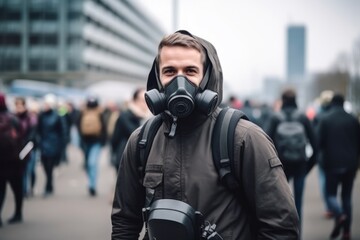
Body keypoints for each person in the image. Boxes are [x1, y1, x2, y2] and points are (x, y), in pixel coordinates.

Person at [111, 30, 300, 239]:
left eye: (190, 71)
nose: (179, 81)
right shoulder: (141, 140)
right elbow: (124, 223)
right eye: (170, 71)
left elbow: (281, 228)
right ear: (158, 78)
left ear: (207, 77)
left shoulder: (244, 138)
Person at [265, 89, 317, 225]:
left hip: (280, 166)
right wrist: (307, 167)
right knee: (298, 203)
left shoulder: (275, 117)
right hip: (300, 165)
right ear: (296, 100)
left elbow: (264, 143)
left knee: (281, 204)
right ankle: (298, 235)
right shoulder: (303, 117)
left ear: (282, 100)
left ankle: (285, 233)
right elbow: (316, 145)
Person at [316, 94, 360, 240]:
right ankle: (346, 232)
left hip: (332, 164)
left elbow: (318, 143)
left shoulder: (325, 119)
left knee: (330, 196)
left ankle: (339, 214)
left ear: (332, 104)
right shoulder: (353, 119)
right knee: (346, 198)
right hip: (350, 165)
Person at [110, 87, 151, 171]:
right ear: (135, 100)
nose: (146, 103)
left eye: (148, 99)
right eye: (143, 100)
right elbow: (116, 138)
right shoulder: (125, 116)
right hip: (125, 156)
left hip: (142, 160)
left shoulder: (149, 117)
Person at [37, 94, 67, 197]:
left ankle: (48, 186)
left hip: (53, 145)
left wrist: (61, 147)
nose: (45, 106)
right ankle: (49, 184)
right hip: (43, 145)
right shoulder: (41, 115)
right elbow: (38, 130)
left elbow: (62, 132)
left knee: (49, 167)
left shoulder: (57, 116)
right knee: (45, 167)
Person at [0, 93, 23, 226]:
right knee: (17, 189)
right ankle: (18, 213)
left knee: (1, 189)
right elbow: (25, 140)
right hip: (14, 161)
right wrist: (23, 158)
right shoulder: (13, 119)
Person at [78, 96, 107, 196]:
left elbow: (78, 127)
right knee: (90, 164)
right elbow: (104, 127)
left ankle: (92, 185)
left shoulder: (84, 113)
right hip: (90, 142)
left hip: (94, 142)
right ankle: (91, 183)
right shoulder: (99, 113)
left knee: (91, 163)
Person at [312, 90, 334, 219]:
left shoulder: (318, 116)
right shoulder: (337, 115)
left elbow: (315, 137)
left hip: (322, 155)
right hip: (336, 155)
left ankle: (328, 206)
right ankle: (335, 203)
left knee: (323, 179)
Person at [14, 97, 38, 198]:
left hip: (30, 147)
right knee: (22, 170)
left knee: (30, 169)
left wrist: (28, 142)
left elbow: (33, 133)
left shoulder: (31, 118)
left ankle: (30, 187)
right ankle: (24, 191)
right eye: (17, 106)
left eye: (20, 106)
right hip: (18, 148)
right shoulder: (13, 118)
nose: (19, 108)